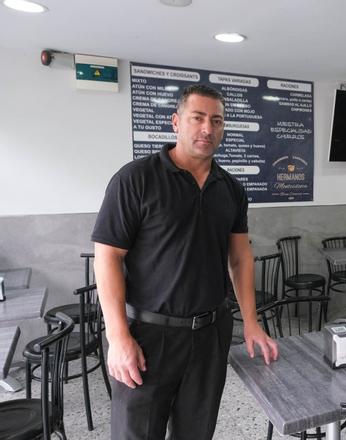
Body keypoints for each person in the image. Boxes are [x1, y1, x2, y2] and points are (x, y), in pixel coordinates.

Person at [92, 84, 278, 440]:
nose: (208, 128)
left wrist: (251, 323)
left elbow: (239, 258)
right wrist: (117, 336)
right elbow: (108, 256)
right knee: (137, 433)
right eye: (198, 118)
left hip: (210, 334)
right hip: (147, 335)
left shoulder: (231, 189)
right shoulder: (135, 179)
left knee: (197, 431)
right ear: (176, 122)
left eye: (217, 120)